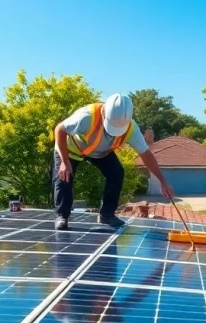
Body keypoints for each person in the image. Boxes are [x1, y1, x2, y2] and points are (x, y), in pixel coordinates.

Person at [53, 93, 174, 230]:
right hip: (71, 148)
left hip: (100, 152)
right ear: (104, 112)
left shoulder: (131, 129)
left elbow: (146, 154)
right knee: (64, 177)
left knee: (116, 172)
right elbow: (60, 129)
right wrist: (64, 161)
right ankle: (62, 216)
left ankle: (107, 215)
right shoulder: (86, 117)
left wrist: (163, 181)